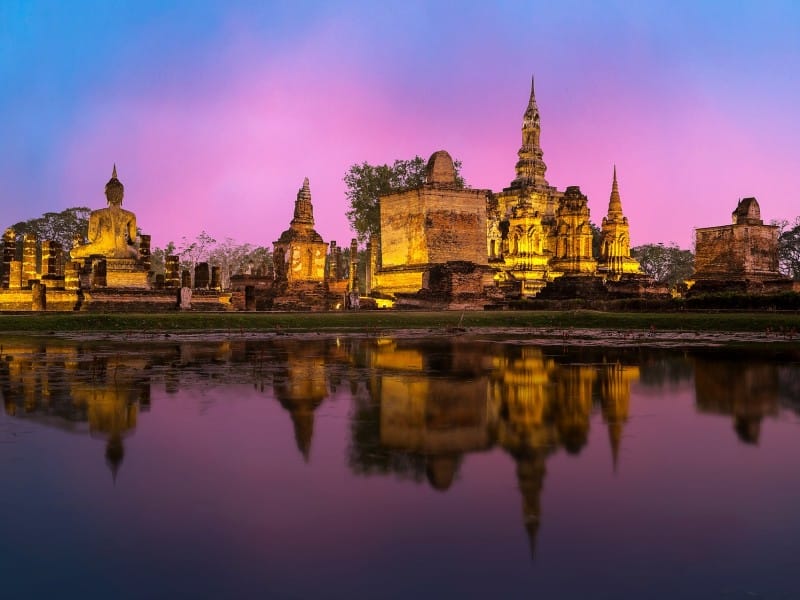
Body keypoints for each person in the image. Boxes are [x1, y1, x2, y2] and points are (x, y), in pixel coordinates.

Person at [70, 165, 138, 260]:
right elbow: (133, 239)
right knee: (135, 253)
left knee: (74, 252)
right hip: (123, 251)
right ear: (122, 195)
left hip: (102, 249)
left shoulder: (96, 214)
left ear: (106, 195)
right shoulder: (130, 216)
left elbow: (91, 238)